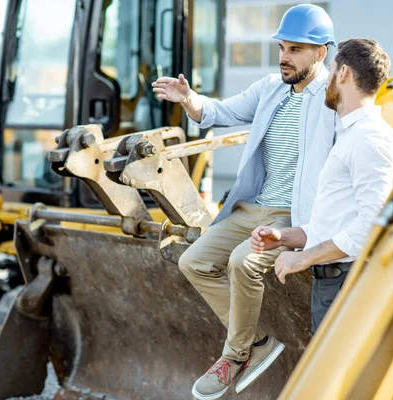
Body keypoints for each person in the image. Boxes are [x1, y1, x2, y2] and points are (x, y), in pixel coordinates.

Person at [152, 4, 336, 399]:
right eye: (282, 47)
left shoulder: (333, 98)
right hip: (253, 207)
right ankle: (257, 344)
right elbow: (218, 112)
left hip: (294, 214)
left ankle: (234, 356)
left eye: (295, 49)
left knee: (241, 262)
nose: (284, 57)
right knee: (193, 261)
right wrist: (188, 99)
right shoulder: (270, 88)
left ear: (320, 53)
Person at [251, 38, 393, 334]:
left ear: (344, 73)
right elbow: (337, 226)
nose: (326, 79)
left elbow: (372, 228)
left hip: (349, 287)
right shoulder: (351, 135)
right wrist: (283, 237)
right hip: (336, 285)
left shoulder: (368, 139)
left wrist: (303, 258)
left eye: (331, 69)